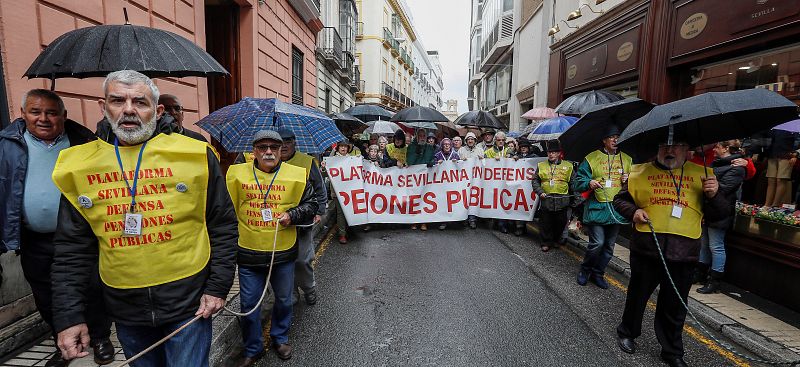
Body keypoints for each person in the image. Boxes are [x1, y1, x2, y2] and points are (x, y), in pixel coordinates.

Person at [50, 70, 237, 367]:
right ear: (103, 106)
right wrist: (69, 316)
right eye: (117, 100)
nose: (128, 109)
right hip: (125, 309)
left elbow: (222, 225)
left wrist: (217, 288)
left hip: (188, 302)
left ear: (157, 110)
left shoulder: (196, 155)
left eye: (140, 102)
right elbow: (71, 249)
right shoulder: (79, 166)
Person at [0, 89, 114, 367]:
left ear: (64, 116)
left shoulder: (84, 142)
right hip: (34, 238)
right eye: (36, 112)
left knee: (92, 289)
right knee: (46, 295)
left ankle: (100, 337)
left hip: (80, 237)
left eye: (52, 112)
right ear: (23, 114)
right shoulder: (8, 145)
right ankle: (63, 343)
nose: (43, 118)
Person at [613, 129, 725, 367]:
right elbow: (620, 200)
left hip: (683, 253)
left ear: (687, 150)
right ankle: (627, 332)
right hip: (646, 249)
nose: (669, 150)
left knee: (674, 305)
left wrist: (714, 196)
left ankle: (672, 351)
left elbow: (720, 215)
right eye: (664, 145)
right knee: (637, 296)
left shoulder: (704, 176)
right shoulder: (639, 172)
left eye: (676, 145)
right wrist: (634, 212)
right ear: (657, 148)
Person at [226, 130, 317, 365]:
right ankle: (253, 347)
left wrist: (292, 214)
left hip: (283, 253)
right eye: (263, 147)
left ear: (280, 151)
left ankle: (280, 337)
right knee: (249, 305)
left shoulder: (297, 175)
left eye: (274, 147)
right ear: (253, 151)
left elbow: (312, 203)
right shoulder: (236, 174)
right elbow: (225, 210)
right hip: (248, 253)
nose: (268, 151)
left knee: (284, 300)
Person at [573, 126, 633, 289]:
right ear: (604, 140)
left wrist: (630, 179)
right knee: (597, 243)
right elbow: (577, 182)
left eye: (618, 137)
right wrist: (589, 183)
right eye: (611, 137)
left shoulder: (627, 160)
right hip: (597, 209)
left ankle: (598, 273)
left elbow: (638, 186)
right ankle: (585, 270)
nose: (615, 140)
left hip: (616, 211)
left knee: (609, 246)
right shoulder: (592, 158)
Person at [275, 128, 326, 305]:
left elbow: (319, 187)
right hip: (279, 222)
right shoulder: (270, 163)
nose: (284, 146)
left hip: (303, 220)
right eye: (280, 142)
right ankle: (292, 292)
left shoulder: (307, 161)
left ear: (294, 142)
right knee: (284, 261)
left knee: (302, 259)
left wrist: (319, 211)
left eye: (288, 142)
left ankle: (309, 288)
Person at [695, 140, 745, 294]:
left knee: (716, 246)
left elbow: (724, 188)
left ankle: (714, 279)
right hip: (708, 210)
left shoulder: (737, 168)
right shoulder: (715, 164)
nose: (714, 149)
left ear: (726, 148)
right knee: (704, 244)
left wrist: (710, 185)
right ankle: (700, 273)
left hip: (721, 211)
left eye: (717, 146)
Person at [532, 140, 575, 251]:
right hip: (546, 199)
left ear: (559, 153)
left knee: (560, 223)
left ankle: (556, 240)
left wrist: (575, 199)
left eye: (554, 152)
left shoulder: (569, 166)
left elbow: (573, 184)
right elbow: (535, 181)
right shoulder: (541, 165)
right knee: (546, 223)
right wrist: (540, 192)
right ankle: (545, 242)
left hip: (562, 201)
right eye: (549, 152)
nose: (551, 154)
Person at [407, 131, 437, 231]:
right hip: (414, 177)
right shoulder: (412, 146)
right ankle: (414, 221)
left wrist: (431, 163)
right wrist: (417, 152)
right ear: (417, 137)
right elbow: (410, 161)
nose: (423, 138)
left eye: (424, 136)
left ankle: (424, 222)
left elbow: (432, 159)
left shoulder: (429, 147)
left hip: (426, 177)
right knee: (415, 199)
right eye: (420, 136)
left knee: (425, 198)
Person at [511, 138, 538, 236]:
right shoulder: (516, 156)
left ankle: (523, 225)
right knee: (517, 205)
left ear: (529, 148)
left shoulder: (534, 157)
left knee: (526, 206)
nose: (523, 148)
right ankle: (519, 226)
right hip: (517, 186)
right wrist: (513, 159)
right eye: (522, 147)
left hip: (528, 186)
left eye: (525, 147)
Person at [458, 132, 485, 229]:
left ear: (475, 141)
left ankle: (472, 219)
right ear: (466, 141)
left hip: (475, 180)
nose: (470, 141)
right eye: (468, 139)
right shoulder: (461, 150)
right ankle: (464, 218)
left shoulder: (480, 150)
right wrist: (461, 160)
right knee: (464, 198)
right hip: (464, 179)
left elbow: (484, 164)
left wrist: (482, 160)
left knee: (473, 199)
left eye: (472, 139)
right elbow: (457, 163)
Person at [433, 138, 460, 230]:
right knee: (442, 201)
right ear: (442, 146)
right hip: (441, 183)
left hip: (452, 183)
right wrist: (436, 163)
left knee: (452, 201)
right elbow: (432, 168)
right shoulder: (437, 155)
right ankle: (443, 221)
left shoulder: (455, 155)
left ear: (451, 145)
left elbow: (461, 168)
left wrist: (457, 163)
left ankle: (454, 220)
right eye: (445, 144)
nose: (447, 146)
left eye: (448, 144)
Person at [331, 139, 354, 243]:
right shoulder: (332, 159)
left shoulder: (352, 159)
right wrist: (323, 167)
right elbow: (324, 173)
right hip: (337, 190)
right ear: (338, 148)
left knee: (349, 211)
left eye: (345, 146)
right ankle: (342, 234)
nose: (343, 148)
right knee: (340, 213)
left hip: (350, 189)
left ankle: (347, 229)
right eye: (341, 146)